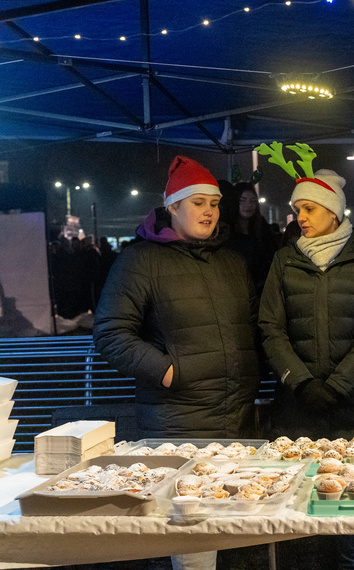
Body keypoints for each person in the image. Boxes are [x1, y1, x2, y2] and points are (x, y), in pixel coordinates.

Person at [93, 156, 261, 570]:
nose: (209, 211)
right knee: (190, 546)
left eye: (215, 203)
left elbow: (252, 326)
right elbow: (111, 333)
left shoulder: (231, 261)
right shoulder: (141, 261)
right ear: (173, 207)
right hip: (177, 422)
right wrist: (169, 371)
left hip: (234, 420)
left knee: (224, 534)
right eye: (198, 202)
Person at [258, 147, 354, 570]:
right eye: (298, 208)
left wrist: (337, 385)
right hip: (299, 403)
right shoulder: (284, 261)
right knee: (300, 495)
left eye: (310, 208)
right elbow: (270, 328)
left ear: (334, 213)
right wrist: (300, 381)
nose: (301, 216)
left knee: (349, 496)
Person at [219, 180, 278, 295]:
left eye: (252, 201)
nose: (248, 205)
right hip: (235, 290)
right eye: (243, 200)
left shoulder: (262, 228)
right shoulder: (226, 231)